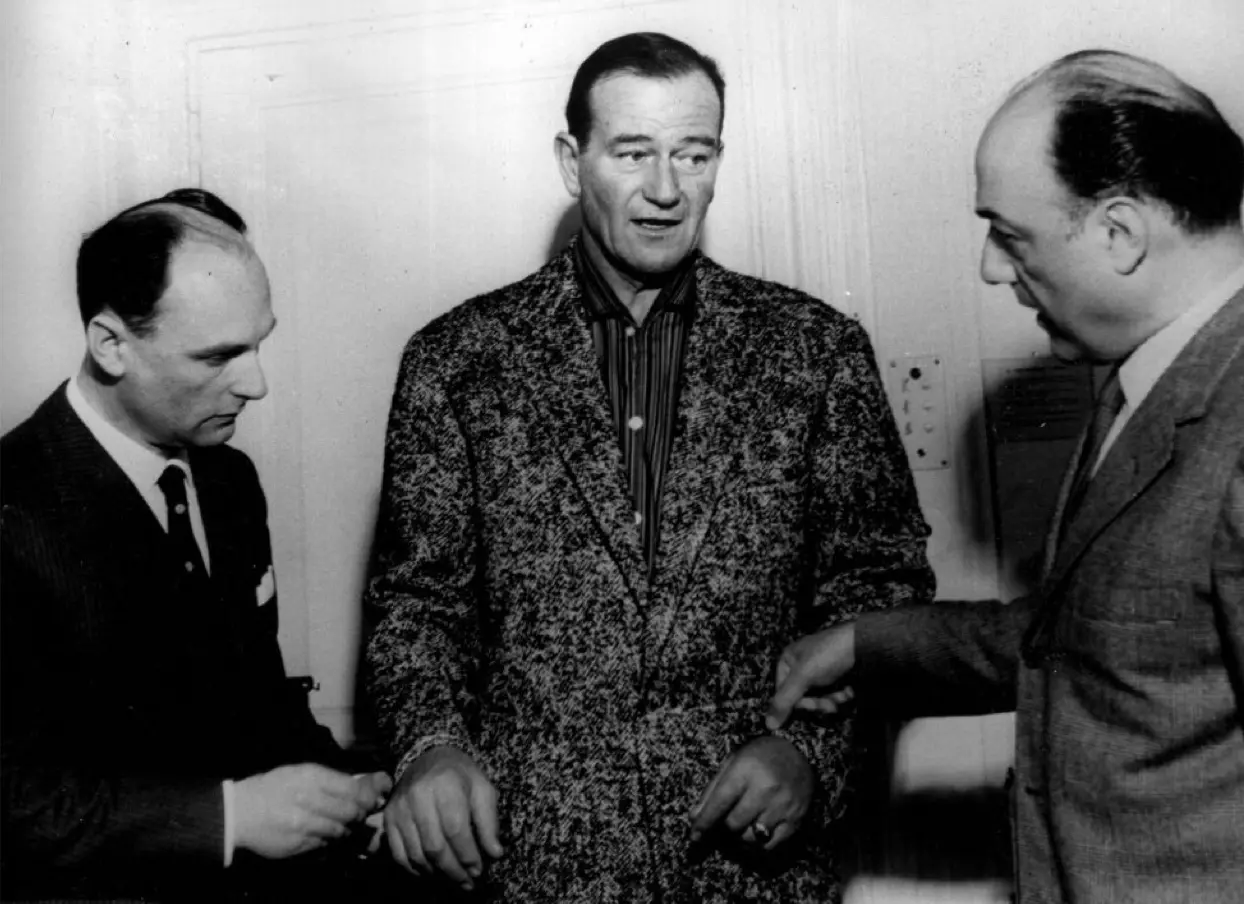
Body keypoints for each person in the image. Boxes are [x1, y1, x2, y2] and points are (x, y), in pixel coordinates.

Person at [365, 31, 933, 903]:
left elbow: (881, 588)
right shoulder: (457, 360)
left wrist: (812, 756)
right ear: (572, 160)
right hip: (530, 865)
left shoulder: (815, 352)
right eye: (633, 153)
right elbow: (417, 606)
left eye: (692, 153)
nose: (667, 190)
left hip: (753, 871)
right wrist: (428, 748)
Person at [768, 50, 1244, 904]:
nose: (992, 267)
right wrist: (872, 644)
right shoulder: (1149, 384)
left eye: (1010, 234)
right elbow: (1104, 642)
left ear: (1120, 233)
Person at [0, 189, 393, 901]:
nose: (257, 383)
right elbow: (16, 801)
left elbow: (256, 700)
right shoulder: (11, 511)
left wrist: (359, 798)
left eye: (258, 343)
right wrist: (228, 819)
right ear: (111, 344)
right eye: (219, 356)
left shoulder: (230, 481)